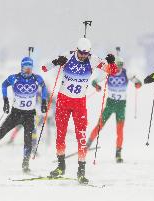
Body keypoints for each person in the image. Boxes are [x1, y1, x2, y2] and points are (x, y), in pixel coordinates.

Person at [42, 37, 118, 184]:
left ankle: (81, 171)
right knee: (60, 134)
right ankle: (60, 166)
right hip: (63, 101)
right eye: (81, 52)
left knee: (81, 137)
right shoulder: (68, 55)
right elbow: (44, 68)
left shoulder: (93, 59)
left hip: (79, 103)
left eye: (86, 53)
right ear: (76, 49)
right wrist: (57, 62)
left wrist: (111, 62)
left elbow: (113, 72)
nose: (83, 55)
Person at [86, 57, 142, 163]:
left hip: (121, 105)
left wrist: (137, 84)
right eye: (116, 66)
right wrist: (96, 86)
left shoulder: (126, 73)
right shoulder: (108, 71)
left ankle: (118, 154)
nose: (118, 68)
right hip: (110, 104)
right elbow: (94, 81)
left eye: (120, 66)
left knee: (120, 130)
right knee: (99, 125)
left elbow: (138, 82)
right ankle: (87, 145)